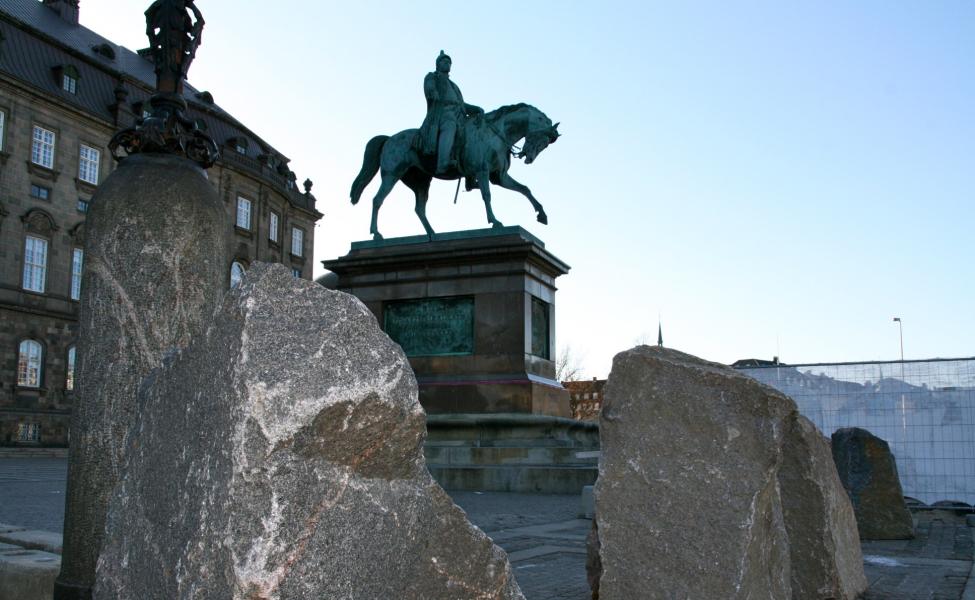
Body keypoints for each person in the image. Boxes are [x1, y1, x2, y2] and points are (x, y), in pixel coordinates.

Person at [416, 51, 483, 176]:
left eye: (449, 62)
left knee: (473, 133)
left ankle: (471, 175)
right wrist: (432, 91)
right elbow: (429, 87)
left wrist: (476, 109)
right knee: (450, 125)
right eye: (444, 61)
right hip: (442, 114)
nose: (447, 64)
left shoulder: (454, 86)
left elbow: (462, 105)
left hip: (458, 115)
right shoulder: (433, 76)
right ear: (438, 65)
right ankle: (442, 163)